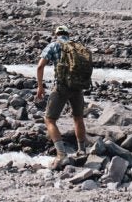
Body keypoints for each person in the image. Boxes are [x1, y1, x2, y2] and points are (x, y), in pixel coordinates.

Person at [34, 25, 90, 167]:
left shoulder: (53, 45)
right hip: (77, 86)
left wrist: (40, 87)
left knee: (49, 119)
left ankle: (61, 154)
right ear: (68, 34)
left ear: (56, 34)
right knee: (78, 117)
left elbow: (40, 66)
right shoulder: (77, 46)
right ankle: (82, 151)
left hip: (61, 86)